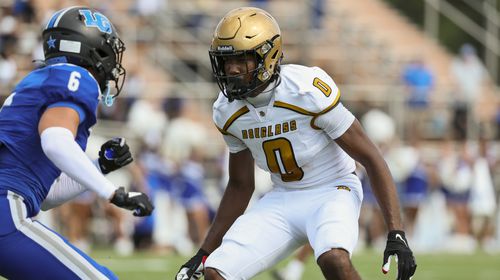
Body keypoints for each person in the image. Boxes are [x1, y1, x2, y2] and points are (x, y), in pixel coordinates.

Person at [175, 7, 416, 280]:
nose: (231, 69)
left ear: (268, 56)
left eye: (241, 59)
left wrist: (396, 232)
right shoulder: (226, 110)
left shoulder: (306, 89)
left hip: (332, 189)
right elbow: (241, 184)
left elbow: (371, 157)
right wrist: (204, 251)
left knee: (333, 259)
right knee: (215, 273)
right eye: (226, 60)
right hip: (283, 197)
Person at [0, 6, 154, 280]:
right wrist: (114, 192)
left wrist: (100, 167)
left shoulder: (34, 82)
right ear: (94, 50)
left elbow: (44, 195)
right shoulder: (76, 76)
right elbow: (55, 141)